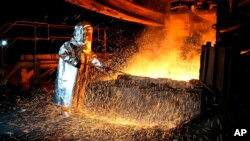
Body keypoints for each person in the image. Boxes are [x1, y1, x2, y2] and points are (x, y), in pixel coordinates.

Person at [54, 21, 107, 115]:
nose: (87, 36)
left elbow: (92, 60)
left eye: (89, 34)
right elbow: (62, 53)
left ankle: (76, 108)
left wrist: (103, 67)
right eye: (86, 33)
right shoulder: (69, 45)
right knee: (68, 92)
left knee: (78, 90)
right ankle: (65, 110)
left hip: (81, 74)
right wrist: (75, 62)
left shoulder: (86, 49)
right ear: (79, 32)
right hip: (69, 76)